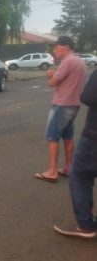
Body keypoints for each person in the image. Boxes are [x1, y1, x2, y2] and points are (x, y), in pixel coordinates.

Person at [34, 36, 86, 183]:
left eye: (57, 47)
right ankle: (69, 168)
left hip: (62, 105)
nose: (54, 50)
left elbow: (52, 83)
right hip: (74, 105)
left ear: (66, 47)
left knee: (53, 137)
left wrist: (50, 75)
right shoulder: (80, 61)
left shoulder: (67, 61)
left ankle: (52, 171)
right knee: (68, 137)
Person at [53, 69, 97, 238]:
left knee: (79, 174)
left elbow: (89, 96)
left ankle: (85, 225)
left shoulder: (71, 62)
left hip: (94, 136)